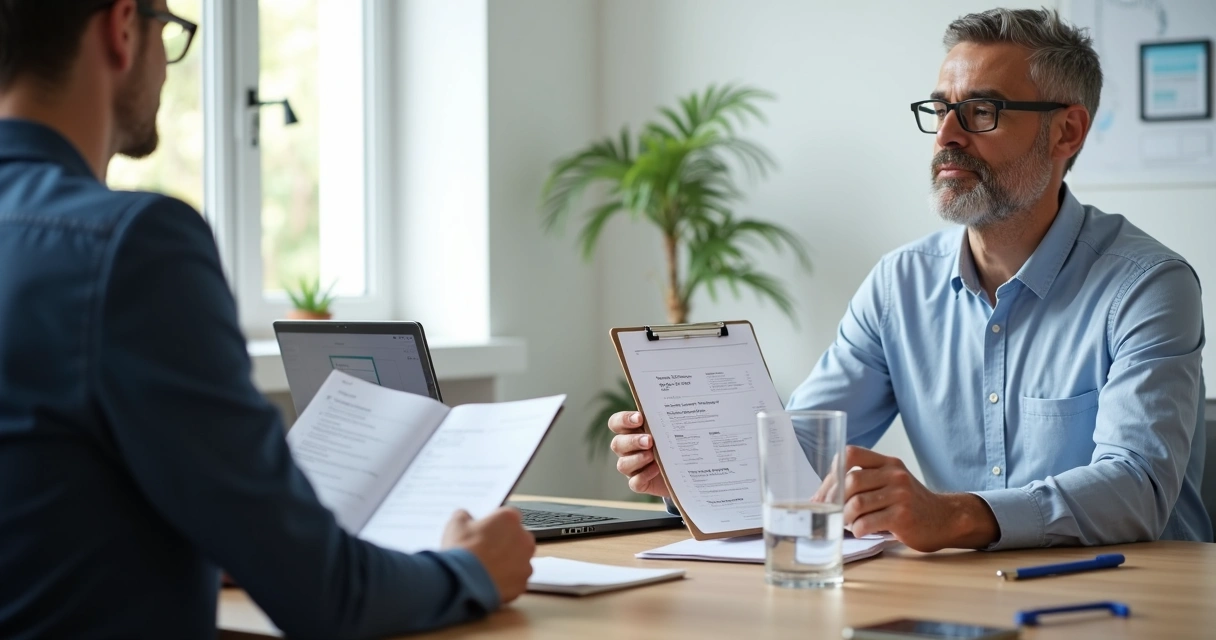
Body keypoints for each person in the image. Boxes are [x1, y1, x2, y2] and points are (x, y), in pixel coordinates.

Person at [0, 1, 534, 638]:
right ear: (121, 29)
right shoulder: (130, 248)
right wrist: (470, 568)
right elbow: (326, 595)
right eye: (168, 31)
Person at [608, 7, 1211, 552]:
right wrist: (695, 466)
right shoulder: (899, 285)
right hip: (960, 598)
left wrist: (954, 516)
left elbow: (1136, 487)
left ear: (1066, 132)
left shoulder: (1147, 286)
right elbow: (801, 457)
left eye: (981, 111)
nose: (947, 136)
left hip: (1132, 599)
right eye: (940, 110)